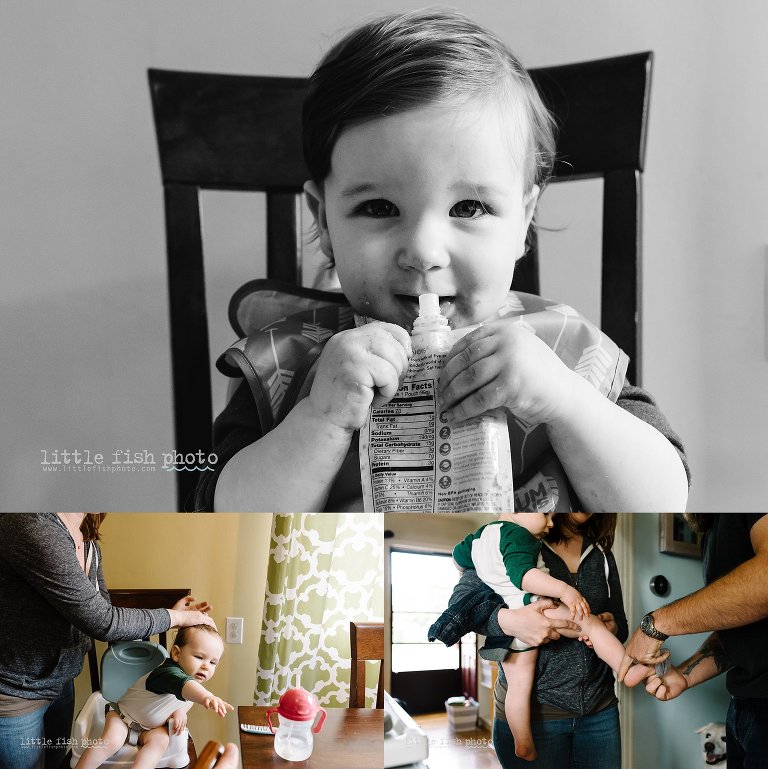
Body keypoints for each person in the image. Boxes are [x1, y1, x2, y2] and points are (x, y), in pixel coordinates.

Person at [196, 8, 690, 513]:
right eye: (379, 208)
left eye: (469, 207)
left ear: (524, 221)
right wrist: (319, 419)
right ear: (324, 222)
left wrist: (566, 403)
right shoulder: (290, 365)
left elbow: (664, 501)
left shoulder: (565, 353)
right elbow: (222, 516)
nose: (426, 254)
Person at [0, 513, 215, 769]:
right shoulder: (30, 525)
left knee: (55, 761)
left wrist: (172, 615)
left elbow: (98, 610)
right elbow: (104, 622)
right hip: (17, 690)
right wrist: (175, 618)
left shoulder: (87, 541)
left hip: (60, 681)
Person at [431, 513, 636, 768]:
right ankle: (524, 738)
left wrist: (613, 626)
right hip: (541, 714)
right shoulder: (515, 536)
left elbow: (622, 625)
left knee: (592, 625)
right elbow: (462, 607)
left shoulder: (602, 555)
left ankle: (627, 668)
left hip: (599, 710)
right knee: (586, 627)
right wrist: (511, 621)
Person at [618, 513, 768, 769]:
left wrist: (654, 625)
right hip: (743, 708)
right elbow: (742, 633)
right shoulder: (711, 526)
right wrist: (686, 676)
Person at [75, 625, 233, 769]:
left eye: (213, 662)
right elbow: (183, 686)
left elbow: (177, 701)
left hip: (150, 729)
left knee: (160, 742)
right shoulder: (168, 672)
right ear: (177, 653)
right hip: (123, 718)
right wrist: (208, 697)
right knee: (112, 741)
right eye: (199, 657)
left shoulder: (193, 686)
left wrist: (179, 712)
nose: (206, 666)